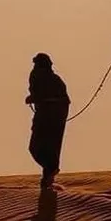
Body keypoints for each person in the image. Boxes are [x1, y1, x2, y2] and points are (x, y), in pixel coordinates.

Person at [25, 53, 70, 189]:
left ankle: (49, 175)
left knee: (41, 148)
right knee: (43, 148)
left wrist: (35, 99)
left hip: (50, 118)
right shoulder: (46, 78)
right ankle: (49, 176)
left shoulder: (50, 79)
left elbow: (59, 99)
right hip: (49, 117)